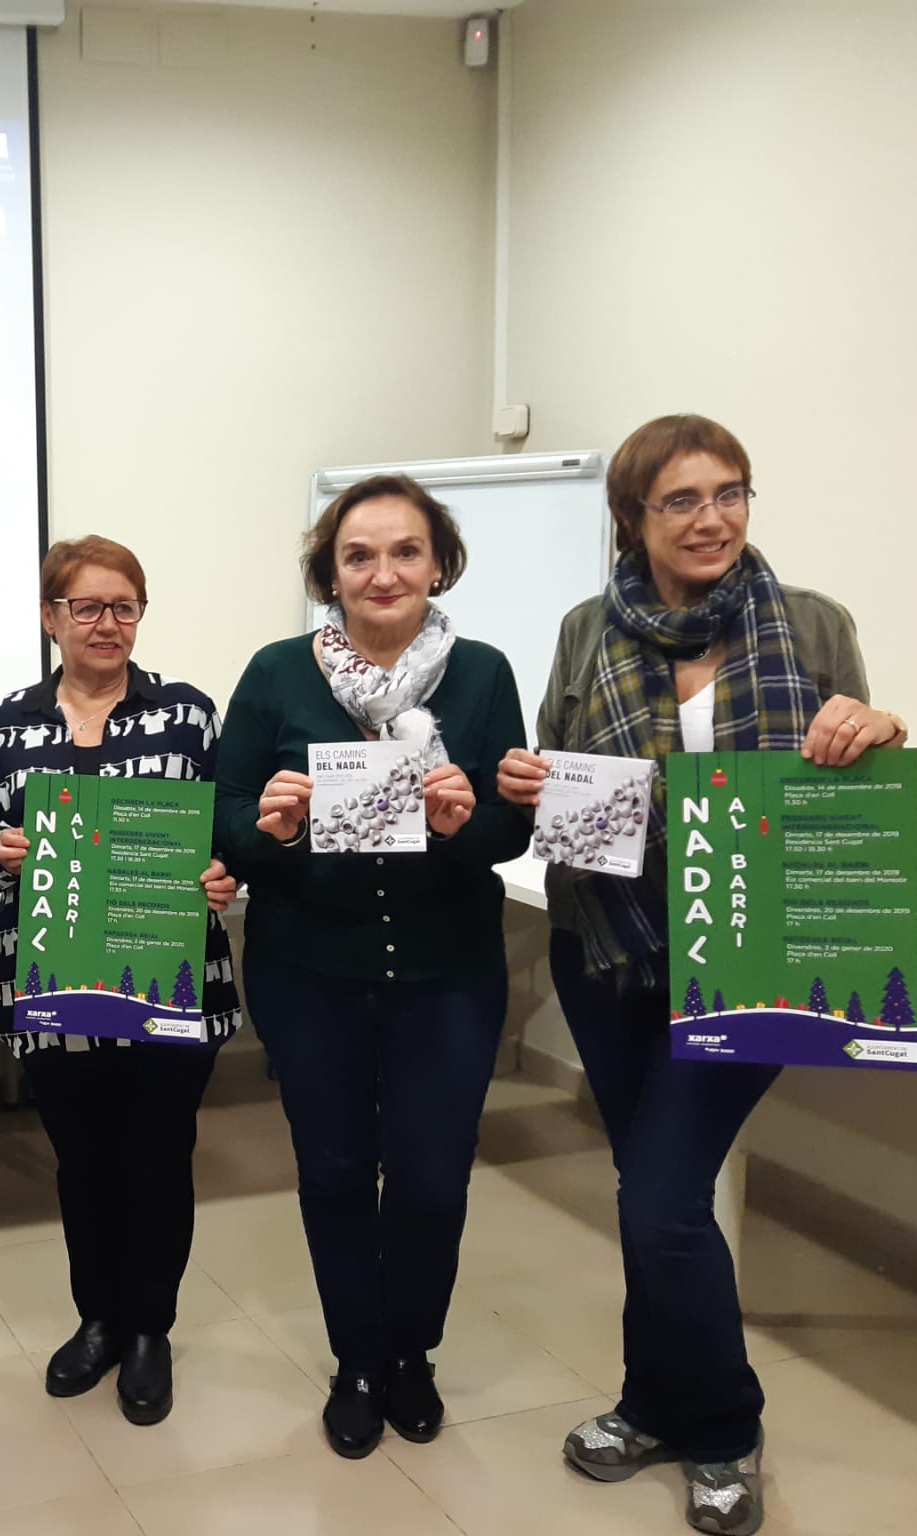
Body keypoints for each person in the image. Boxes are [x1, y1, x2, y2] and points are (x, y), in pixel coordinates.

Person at [497, 415, 907, 1536]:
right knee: (649, 1198)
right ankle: (648, 1403)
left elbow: (846, 781)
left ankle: (722, 1426)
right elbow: (554, 767)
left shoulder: (812, 624)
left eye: (729, 492)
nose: (711, 518)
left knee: (662, 1199)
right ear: (630, 518)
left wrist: (867, 726)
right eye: (679, 499)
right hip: (611, 942)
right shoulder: (587, 628)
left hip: (755, 950)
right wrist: (531, 778)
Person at [215, 473, 528, 1460]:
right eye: (357, 554)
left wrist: (462, 820)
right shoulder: (273, 674)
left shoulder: (480, 673)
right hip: (310, 969)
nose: (381, 572)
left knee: (432, 1179)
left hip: (449, 973)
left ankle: (410, 1353)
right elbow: (223, 825)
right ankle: (356, 1359)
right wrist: (269, 822)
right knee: (335, 1170)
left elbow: (509, 827)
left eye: (402, 551)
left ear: (436, 563)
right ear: (329, 572)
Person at [0, 535, 241, 1426]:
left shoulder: (188, 717)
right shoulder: (9, 725)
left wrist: (227, 871)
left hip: (169, 984)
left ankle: (150, 1328)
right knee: (82, 1164)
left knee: (159, 1159)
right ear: (52, 618)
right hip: (52, 990)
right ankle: (100, 1319)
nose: (107, 624)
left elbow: (229, 830)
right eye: (87, 608)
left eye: (124, 607)